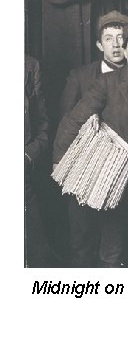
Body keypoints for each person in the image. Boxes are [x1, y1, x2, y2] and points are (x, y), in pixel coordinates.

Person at [54, 22, 128, 268]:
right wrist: (60, 160)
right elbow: (74, 119)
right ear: (125, 52)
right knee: (111, 249)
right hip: (111, 178)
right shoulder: (107, 82)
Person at [58, 10, 128, 267]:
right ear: (99, 44)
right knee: (82, 236)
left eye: (122, 37)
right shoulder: (80, 76)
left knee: (114, 237)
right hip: (82, 166)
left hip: (118, 169)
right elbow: (66, 119)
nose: (116, 44)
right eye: (109, 38)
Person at [24, 54, 51, 267]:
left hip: (20, 175)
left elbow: (42, 123)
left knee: (35, 253)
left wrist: (28, 154)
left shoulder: (30, 65)